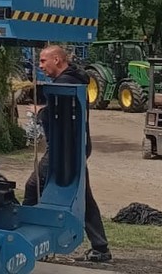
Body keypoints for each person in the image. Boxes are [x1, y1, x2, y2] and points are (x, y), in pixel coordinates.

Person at [23, 44, 112, 263]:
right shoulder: (75, 80)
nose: (40, 66)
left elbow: (58, 115)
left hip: (64, 148)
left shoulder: (65, 84)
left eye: (43, 61)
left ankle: (28, 238)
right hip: (75, 146)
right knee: (83, 195)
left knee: (34, 187)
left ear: (57, 60)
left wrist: (41, 112)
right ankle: (100, 247)